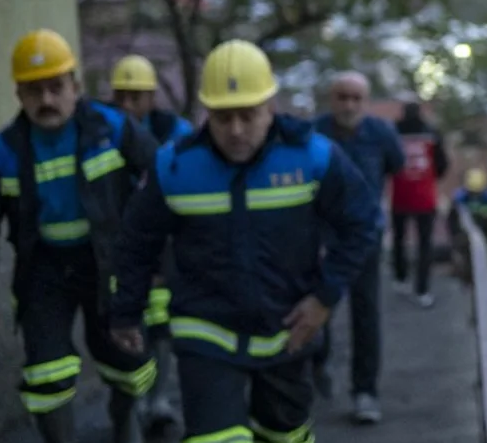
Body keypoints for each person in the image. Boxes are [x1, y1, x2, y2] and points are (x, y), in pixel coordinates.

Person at [108, 39, 380, 443]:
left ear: (270, 106)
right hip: (206, 336)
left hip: (286, 333)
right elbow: (135, 241)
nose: (235, 130)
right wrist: (126, 310)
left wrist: (324, 297)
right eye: (223, 117)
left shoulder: (313, 158)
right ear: (206, 113)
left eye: (247, 116)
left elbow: (364, 222)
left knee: (285, 436)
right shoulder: (175, 166)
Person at [0, 29, 161, 443]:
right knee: (45, 371)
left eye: (56, 88)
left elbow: (162, 184)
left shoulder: (113, 128)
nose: (47, 101)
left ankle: (126, 426)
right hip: (43, 271)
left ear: (76, 86)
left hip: (108, 263)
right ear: (19, 95)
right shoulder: (3, 153)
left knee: (126, 359)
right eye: (35, 91)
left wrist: (160, 260)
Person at [310, 71, 403, 424]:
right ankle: (319, 363)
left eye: (355, 98)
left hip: (364, 236)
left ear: (366, 101)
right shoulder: (314, 133)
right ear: (331, 99)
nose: (348, 104)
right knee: (318, 305)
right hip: (320, 235)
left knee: (366, 312)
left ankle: (365, 391)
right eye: (341, 97)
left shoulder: (381, 134)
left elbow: (396, 166)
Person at [108, 53, 194, 431]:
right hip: (123, 245)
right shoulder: (105, 132)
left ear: (151, 97)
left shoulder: (176, 133)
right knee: (128, 324)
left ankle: (157, 400)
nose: (127, 106)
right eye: (121, 97)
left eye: (135, 97)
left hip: (167, 247)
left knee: (161, 326)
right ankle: (136, 402)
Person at [390, 93, 450, 308]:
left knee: (399, 238)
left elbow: (386, 161)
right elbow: (442, 164)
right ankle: (422, 290)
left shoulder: (393, 131)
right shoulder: (432, 132)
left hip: (400, 195)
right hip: (425, 197)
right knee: (424, 244)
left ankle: (400, 278)